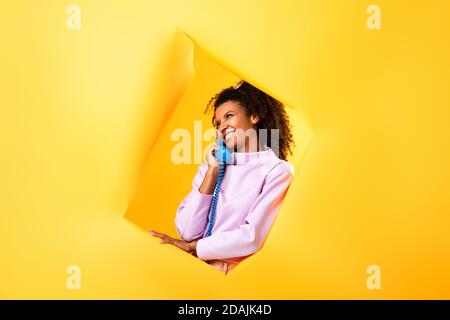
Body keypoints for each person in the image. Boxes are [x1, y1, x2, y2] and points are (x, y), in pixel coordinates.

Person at [149, 80, 295, 274]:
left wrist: (195, 247)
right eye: (218, 123)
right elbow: (187, 231)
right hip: (191, 271)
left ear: (254, 116)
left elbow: (252, 236)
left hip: (232, 279)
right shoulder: (213, 165)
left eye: (229, 116)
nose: (223, 126)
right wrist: (212, 173)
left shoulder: (277, 170)